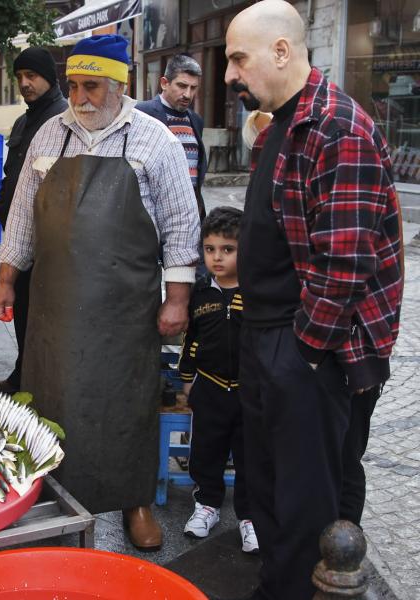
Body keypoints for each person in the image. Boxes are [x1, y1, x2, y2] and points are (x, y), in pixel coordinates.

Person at [0, 34, 200, 552]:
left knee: (127, 403)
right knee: (53, 398)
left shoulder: (155, 141)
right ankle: (52, 497)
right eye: (74, 85)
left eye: (92, 85)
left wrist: (176, 299)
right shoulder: (48, 137)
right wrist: (5, 278)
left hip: (126, 309)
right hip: (55, 304)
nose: (80, 97)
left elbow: (180, 225)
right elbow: (21, 216)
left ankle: (135, 501)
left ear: (120, 85)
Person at [224, 2, 403, 598]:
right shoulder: (279, 125)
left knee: (308, 499)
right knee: (267, 485)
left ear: (281, 51)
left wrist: (302, 351)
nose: (230, 75)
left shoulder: (338, 128)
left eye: (237, 58)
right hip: (269, 336)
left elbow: (345, 267)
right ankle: (278, 584)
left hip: (310, 346)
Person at [178, 206, 258, 554]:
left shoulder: (256, 296)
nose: (217, 258)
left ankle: (250, 518)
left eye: (227, 249)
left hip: (249, 391)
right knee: (206, 451)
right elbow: (192, 340)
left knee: (250, 456)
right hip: (209, 387)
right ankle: (207, 504)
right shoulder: (201, 295)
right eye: (210, 250)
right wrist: (186, 378)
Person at [0, 47, 68, 395]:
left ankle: (42, 379)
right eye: (20, 77)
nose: (24, 83)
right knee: (21, 308)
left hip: (50, 239)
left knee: (45, 313)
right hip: (19, 234)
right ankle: (24, 373)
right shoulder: (25, 120)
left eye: (32, 76)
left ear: (50, 79)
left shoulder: (62, 119)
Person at [136, 54, 207, 220]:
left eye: (193, 87)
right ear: (164, 83)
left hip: (190, 213)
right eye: (182, 86)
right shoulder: (141, 113)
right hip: (152, 213)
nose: (188, 94)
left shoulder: (196, 120)